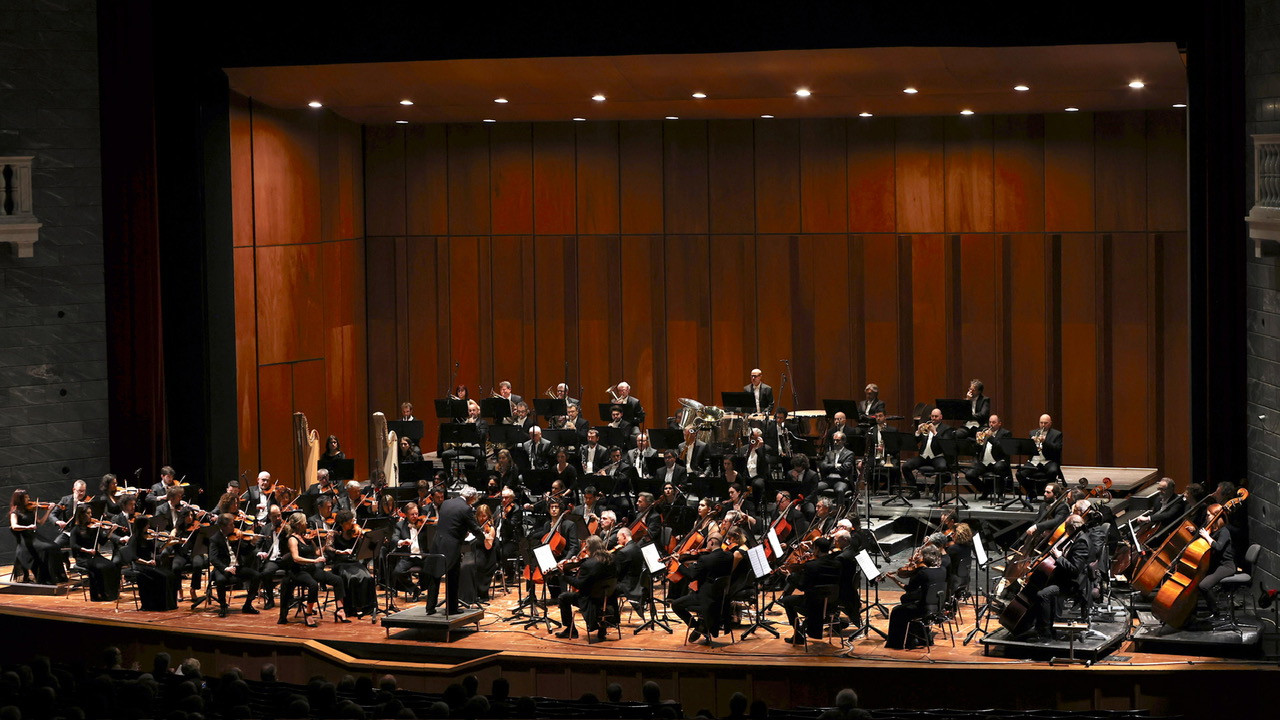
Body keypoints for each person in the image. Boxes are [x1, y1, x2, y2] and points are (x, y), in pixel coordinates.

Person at [672, 527, 748, 644]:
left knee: (675, 605)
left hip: (705, 599)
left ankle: (697, 626)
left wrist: (678, 564)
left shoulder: (705, 559)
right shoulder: (729, 556)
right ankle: (701, 626)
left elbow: (692, 575)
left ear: (711, 542)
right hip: (721, 600)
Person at [425, 486, 485, 615]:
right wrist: (483, 537)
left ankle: (430, 607)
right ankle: (451, 608)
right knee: (453, 577)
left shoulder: (446, 503)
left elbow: (451, 522)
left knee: (434, 575)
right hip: (451, 546)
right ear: (471, 497)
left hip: (437, 542)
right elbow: (473, 527)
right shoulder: (465, 508)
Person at [279, 512, 346, 625]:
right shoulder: (292, 540)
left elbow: (317, 552)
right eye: (304, 521)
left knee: (337, 580)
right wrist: (314, 561)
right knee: (313, 584)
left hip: (311, 569)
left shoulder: (307, 537)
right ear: (300, 524)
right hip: (298, 571)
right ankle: (308, 614)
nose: (307, 523)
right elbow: (296, 558)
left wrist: (327, 542)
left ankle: (340, 610)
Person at [779, 537, 843, 643]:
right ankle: (801, 631)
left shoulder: (812, 566)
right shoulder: (838, 564)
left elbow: (802, 586)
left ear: (817, 549)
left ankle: (798, 634)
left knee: (786, 600)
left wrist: (789, 576)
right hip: (831, 605)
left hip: (813, 605)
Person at [556, 535, 618, 640]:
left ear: (590, 548)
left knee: (563, 597)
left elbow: (579, 585)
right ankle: (602, 624)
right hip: (608, 598)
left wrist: (564, 575)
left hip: (590, 600)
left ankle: (570, 630)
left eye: (586, 547)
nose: (585, 549)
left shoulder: (588, 564)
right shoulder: (612, 559)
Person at [884, 544, 947, 649]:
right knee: (907, 604)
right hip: (937, 607)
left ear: (924, 557)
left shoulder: (923, 573)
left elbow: (909, 589)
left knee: (896, 611)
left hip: (924, 609)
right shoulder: (942, 570)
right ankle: (920, 637)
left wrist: (895, 579)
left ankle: (896, 643)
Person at [206, 514, 263, 617]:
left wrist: (252, 543)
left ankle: (247, 604)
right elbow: (213, 558)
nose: (234, 526)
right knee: (220, 580)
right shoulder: (215, 539)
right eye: (231, 524)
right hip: (223, 568)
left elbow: (245, 551)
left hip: (237, 568)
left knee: (256, 575)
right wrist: (225, 568)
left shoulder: (235, 536)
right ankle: (223, 606)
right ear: (223, 526)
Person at [9, 489, 63, 584]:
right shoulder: (15, 512)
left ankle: (55, 575)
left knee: (54, 546)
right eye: (26, 497)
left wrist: (49, 511)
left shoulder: (31, 510)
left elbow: (40, 522)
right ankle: (44, 577)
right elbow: (14, 526)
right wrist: (27, 527)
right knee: (47, 547)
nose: (29, 499)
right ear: (19, 499)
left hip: (34, 537)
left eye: (28, 497)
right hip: (25, 539)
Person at [329, 510, 377, 618]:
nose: (352, 524)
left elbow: (364, 549)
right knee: (352, 578)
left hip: (353, 562)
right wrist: (339, 551)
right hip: (340, 564)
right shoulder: (334, 534)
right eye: (349, 522)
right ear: (342, 523)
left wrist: (364, 537)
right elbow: (328, 548)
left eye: (352, 521)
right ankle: (354, 607)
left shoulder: (355, 533)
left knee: (368, 577)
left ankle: (367, 607)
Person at [69, 505, 121, 601]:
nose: (91, 515)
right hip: (83, 558)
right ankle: (99, 594)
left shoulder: (93, 528)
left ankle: (111, 593)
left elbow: (102, 541)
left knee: (112, 565)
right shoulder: (75, 530)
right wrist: (86, 550)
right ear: (81, 515)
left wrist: (111, 531)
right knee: (100, 567)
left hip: (95, 555)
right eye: (88, 513)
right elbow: (73, 545)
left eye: (90, 513)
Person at [902, 407, 954, 499]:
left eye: (936, 416)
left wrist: (934, 432)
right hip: (923, 457)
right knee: (905, 466)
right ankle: (914, 492)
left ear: (941, 417)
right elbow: (914, 442)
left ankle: (936, 492)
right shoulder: (926, 426)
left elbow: (944, 444)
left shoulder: (946, 429)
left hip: (937, 456)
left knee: (942, 467)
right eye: (932, 416)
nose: (933, 418)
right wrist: (918, 432)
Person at [963, 415, 1011, 499]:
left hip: (998, 461)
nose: (991, 424)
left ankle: (1000, 494)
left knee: (999, 468)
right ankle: (985, 490)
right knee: (969, 474)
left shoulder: (1005, 433)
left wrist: (990, 438)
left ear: (999, 423)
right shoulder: (985, 432)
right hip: (984, 462)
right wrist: (977, 441)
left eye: (994, 422)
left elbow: (1002, 448)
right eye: (990, 422)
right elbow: (977, 450)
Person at [459, 503, 498, 605]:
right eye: (479, 515)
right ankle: (466, 595)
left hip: (486, 557)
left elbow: (488, 547)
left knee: (469, 565)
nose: (481, 518)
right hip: (474, 553)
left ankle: (476, 594)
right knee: (462, 566)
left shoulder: (491, 528)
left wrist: (485, 535)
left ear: (488, 516)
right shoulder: (475, 526)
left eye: (484, 515)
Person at [1016, 414, 1065, 496]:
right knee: (1020, 474)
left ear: (1050, 423)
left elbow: (1057, 449)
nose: (1043, 425)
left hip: (1048, 461)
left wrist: (1044, 442)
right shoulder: (1032, 432)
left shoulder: (1057, 434)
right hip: (1034, 461)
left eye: (1045, 423)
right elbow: (1028, 450)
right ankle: (1031, 491)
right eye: (1041, 423)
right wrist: (1031, 443)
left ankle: (1046, 492)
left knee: (1053, 471)